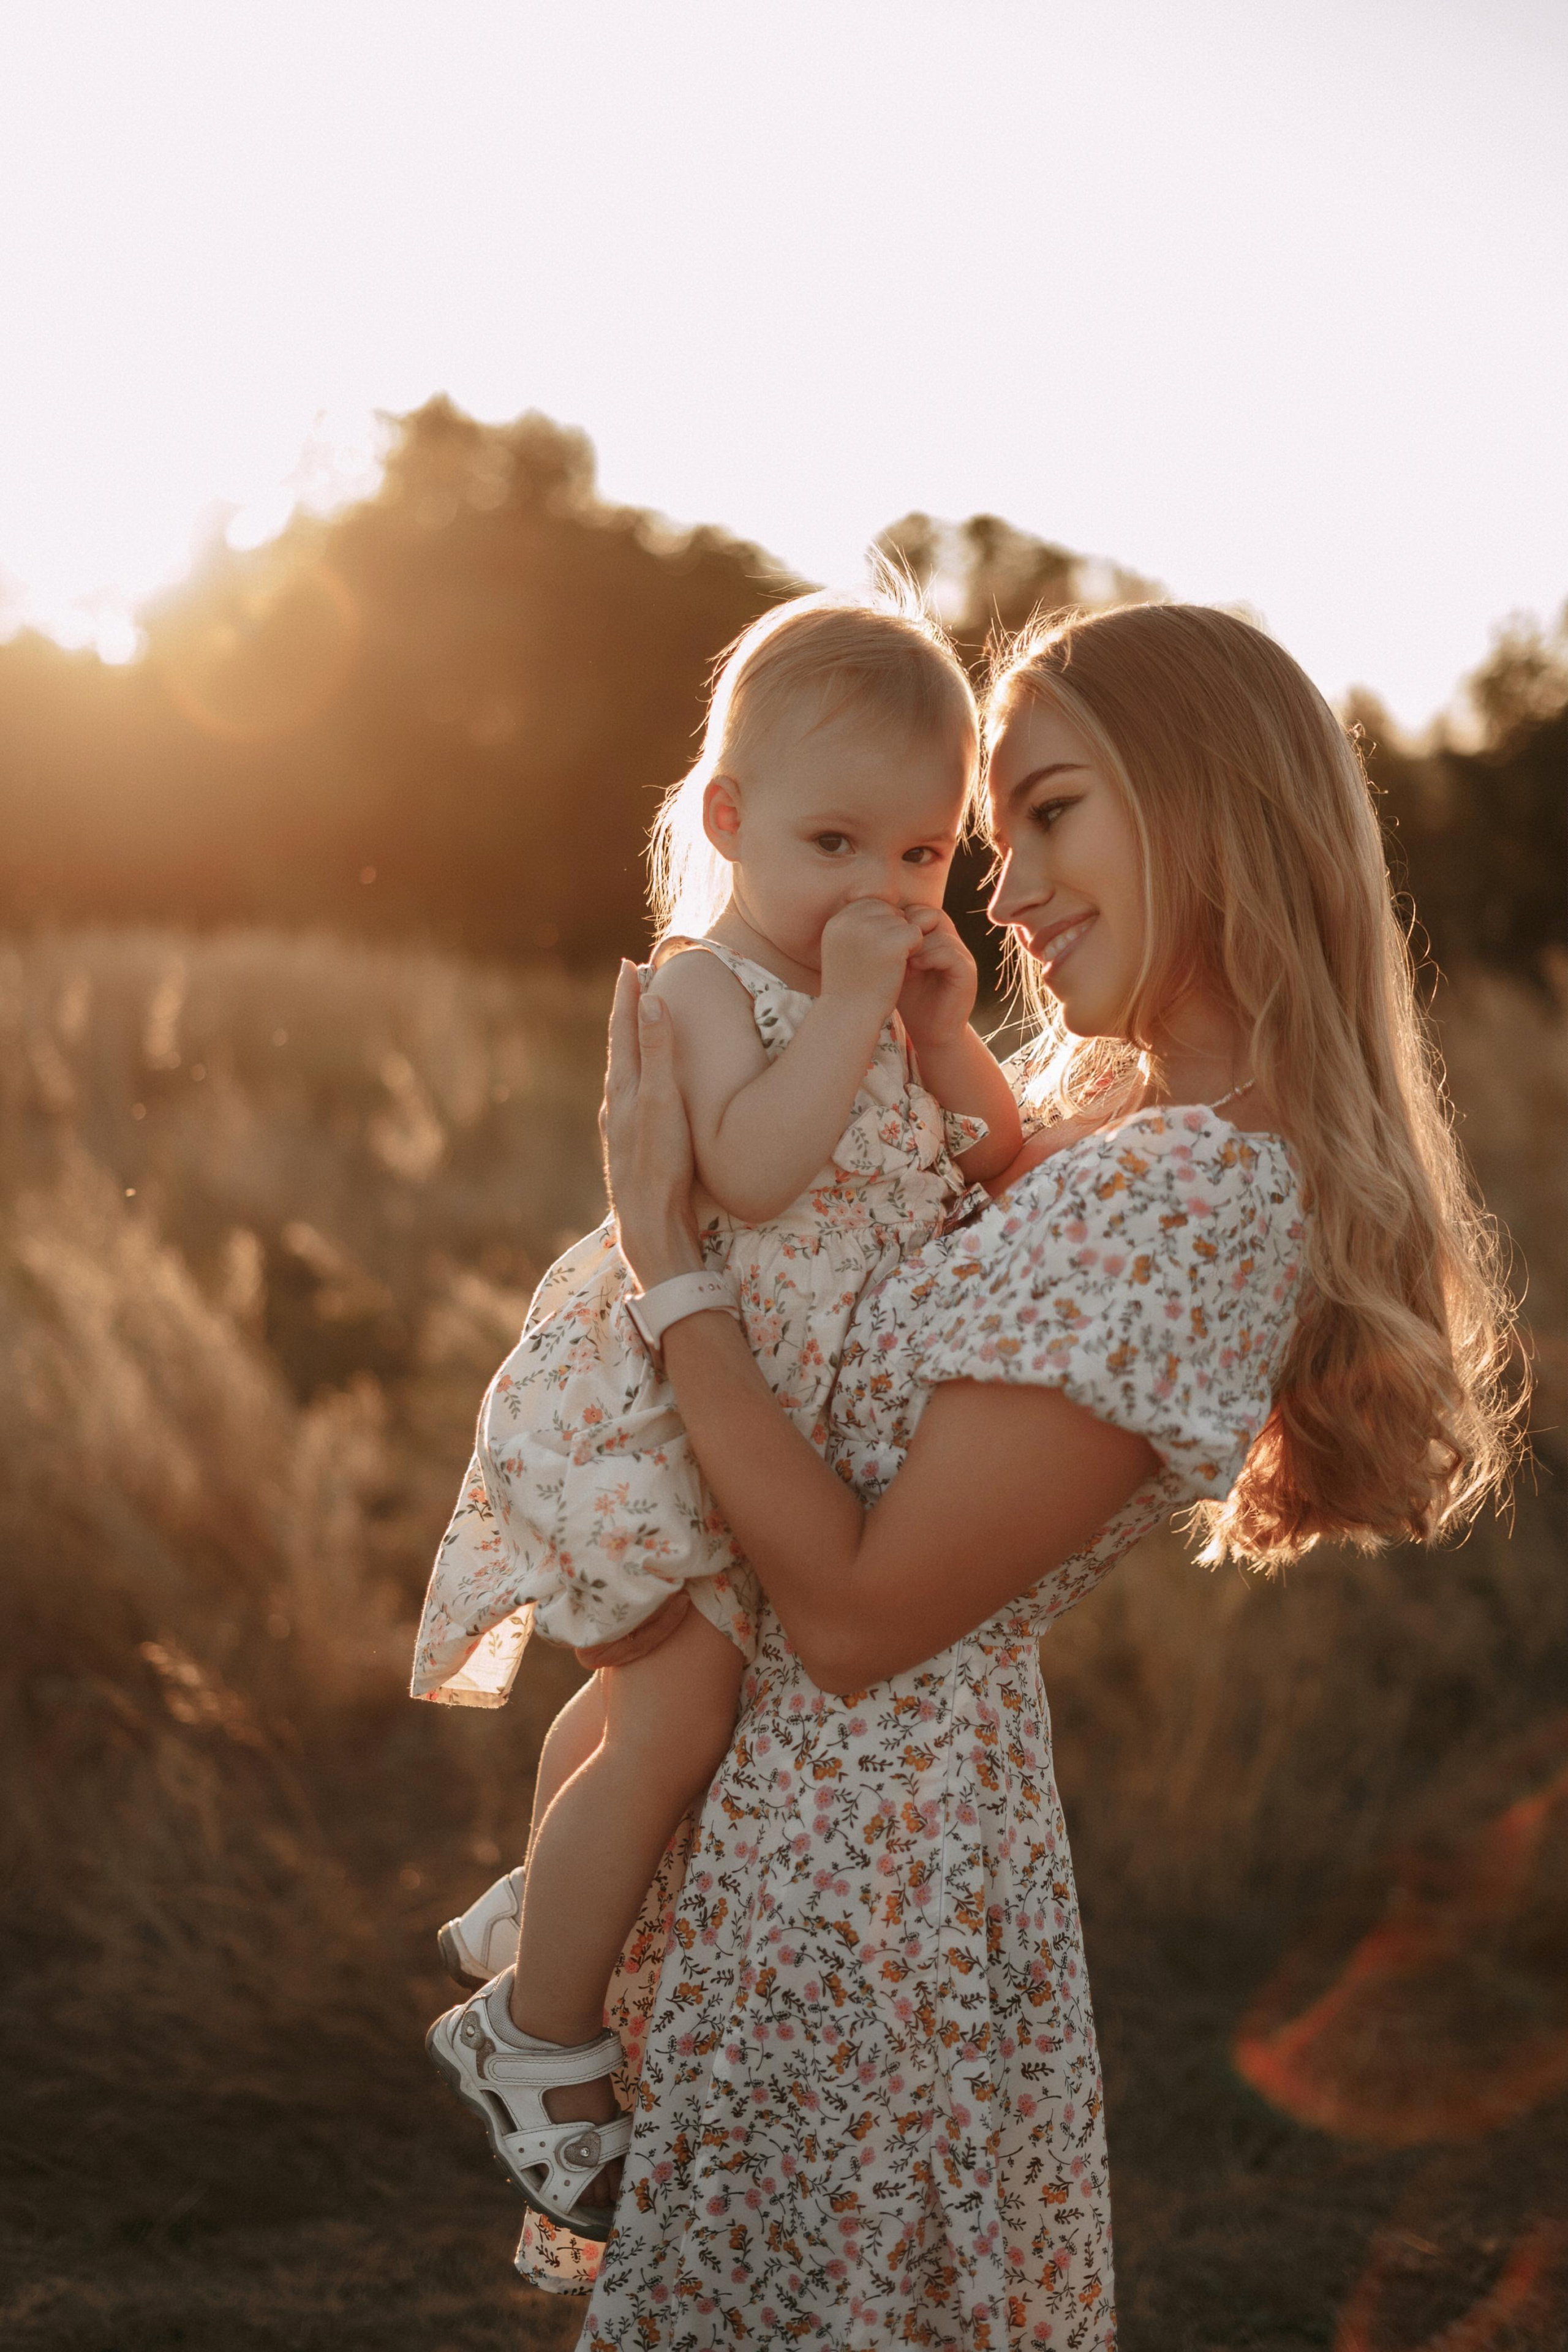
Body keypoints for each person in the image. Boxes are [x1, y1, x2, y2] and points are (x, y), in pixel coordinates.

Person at [517, 601, 1520, 2343]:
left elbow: (849, 1616)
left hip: (866, 1874)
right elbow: (972, 1207)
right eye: (991, 841)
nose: (1004, 885)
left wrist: (667, 1257)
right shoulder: (1127, 1138)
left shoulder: (1195, 1197)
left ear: (1206, 802)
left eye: (1052, 812)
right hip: (817, 1841)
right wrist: (923, 1045)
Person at [411, 589, 1023, 2236]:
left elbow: (996, 1161)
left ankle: (554, 1912)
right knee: (672, 1711)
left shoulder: (881, 1004)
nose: (880, 894)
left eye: (919, 857)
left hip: (774, 1414)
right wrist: (849, 1012)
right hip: (677, 1401)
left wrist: (944, 1032)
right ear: (733, 821)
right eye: (836, 843)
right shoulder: (701, 990)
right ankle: (537, 2037)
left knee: (636, 1716)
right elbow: (746, 1174)